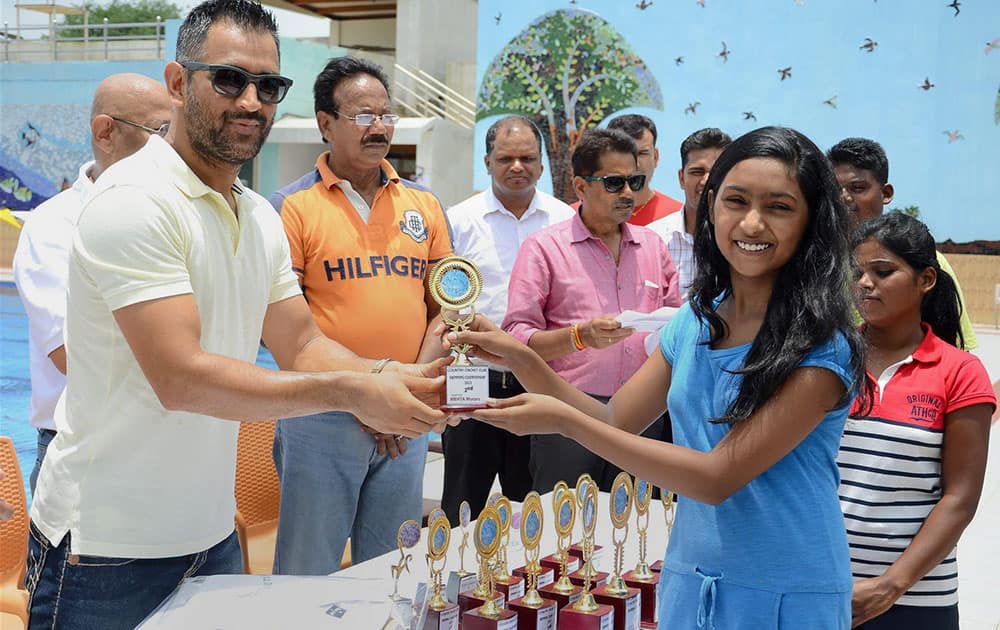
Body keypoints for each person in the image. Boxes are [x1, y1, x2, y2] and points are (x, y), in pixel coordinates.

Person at [25, 3, 447, 628]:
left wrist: (395, 379)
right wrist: (355, 390)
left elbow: (301, 341)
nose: (252, 101)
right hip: (107, 548)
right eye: (229, 80)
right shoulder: (134, 202)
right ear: (177, 84)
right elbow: (182, 379)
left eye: (269, 86)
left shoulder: (254, 214)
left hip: (212, 534)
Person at [452, 126, 869, 628]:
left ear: (810, 222)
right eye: (736, 201)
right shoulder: (695, 319)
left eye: (779, 207)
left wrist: (562, 421)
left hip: (786, 587)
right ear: (712, 206)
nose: (752, 223)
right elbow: (614, 417)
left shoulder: (822, 344)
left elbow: (716, 478)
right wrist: (521, 361)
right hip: (691, 578)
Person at [269, 56, 453, 572]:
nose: (379, 128)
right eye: (362, 116)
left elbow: (445, 311)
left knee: (393, 569)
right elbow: (288, 326)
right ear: (325, 123)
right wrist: (367, 392)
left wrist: (406, 391)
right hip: (322, 414)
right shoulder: (289, 207)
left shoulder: (426, 206)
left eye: (386, 115)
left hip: (405, 416)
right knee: (308, 570)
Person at [12, 73, 171, 496]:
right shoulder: (53, 226)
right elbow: (71, 356)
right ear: (106, 132)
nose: (173, 148)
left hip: (166, 442)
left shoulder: (174, 218)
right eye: (161, 132)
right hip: (83, 451)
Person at [501, 128, 681, 493]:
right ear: (581, 187)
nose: (628, 193)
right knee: (561, 535)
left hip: (643, 414)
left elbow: (677, 323)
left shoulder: (652, 247)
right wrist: (579, 337)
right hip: (567, 415)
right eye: (614, 183)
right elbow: (516, 339)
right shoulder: (545, 249)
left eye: (635, 180)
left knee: (632, 532)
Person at [840, 212, 994, 629]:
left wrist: (892, 585)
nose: (864, 283)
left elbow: (959, 497)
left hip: (917, 600)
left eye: (883, 271)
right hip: (823, 589)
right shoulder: (829, 357)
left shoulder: (960, 372)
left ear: (926, 280)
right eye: (857, 272)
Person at [441, 115, 575, 524]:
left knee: (535, 504)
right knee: (462, 502)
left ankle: (529, 583)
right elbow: (440, 298)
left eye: (527, 158)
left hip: (539, 381)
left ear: (540, 165)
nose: (516, 167)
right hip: (471, 380)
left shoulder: (565, 220)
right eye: (505, 158)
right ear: (487, 162)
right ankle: (453, 582)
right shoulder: (457, 220)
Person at [827, 137, 977, 349]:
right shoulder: (815, 261)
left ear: (886, 193)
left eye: (857, 188)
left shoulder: (924, 259)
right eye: (834, 189)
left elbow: (955, 352)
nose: (843, 198)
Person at [647, 127, 732, 298]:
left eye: (716, 172)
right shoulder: (652, 240)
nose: (706, 180)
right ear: (681, 178)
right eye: (697, 172)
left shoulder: (743, 240)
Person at [592, 114, 682, 225]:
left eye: (642, 153)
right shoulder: (580, 215)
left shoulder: (679, 217)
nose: (635, 164)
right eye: (625, 154)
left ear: (656, 157)